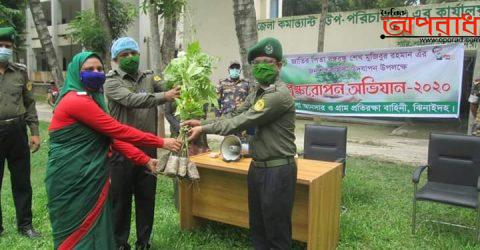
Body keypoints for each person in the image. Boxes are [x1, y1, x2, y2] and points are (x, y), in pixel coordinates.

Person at [46, 51, 181, 249]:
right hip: (72, 174)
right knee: (75, 226)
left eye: (99, 69)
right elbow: (117, 130)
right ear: (76, 72)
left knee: (92, 223)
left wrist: (144, 160)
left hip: (89, 172)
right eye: (89, 69)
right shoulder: (76, 100)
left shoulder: (93, 99)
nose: (96, 72)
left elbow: (111, 139)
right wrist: (160, 141)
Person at [185, 37, 297, 250]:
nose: (262, 66)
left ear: (279, 65)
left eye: (268, 62)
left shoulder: (278, 96)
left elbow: (241, 121)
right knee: (258, 227)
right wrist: (202, 121)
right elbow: (234, 113)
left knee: (276, 231)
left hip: (278, 169)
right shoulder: (257, 91)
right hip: (257, 168)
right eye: (257, 63)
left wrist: (204, 129)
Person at [103, 37, 180, 250]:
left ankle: (143, 243)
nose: (130, 58)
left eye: (133, 53)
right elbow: (131, 100)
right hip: (122, 150)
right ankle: (120, 243)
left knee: (147, 198)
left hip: (148, 149)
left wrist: (179, 81)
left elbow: (169, 87)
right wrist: (165, 95)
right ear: (116, 59)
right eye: (124, 55)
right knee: (121, 200)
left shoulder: (148, 77)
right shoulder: (111, 81)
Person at [0, 26, 41, 238]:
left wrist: (34, 131)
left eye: (7, 46)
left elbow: (29, 102)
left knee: (22, 181)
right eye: (1, 45)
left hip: (17, 131)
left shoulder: (20, 72)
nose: (4, 49)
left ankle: (25, 226)